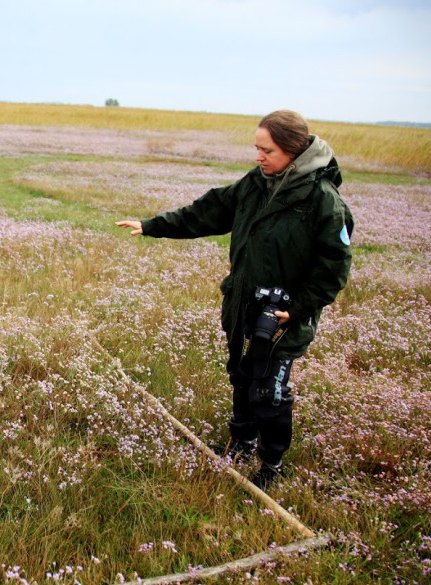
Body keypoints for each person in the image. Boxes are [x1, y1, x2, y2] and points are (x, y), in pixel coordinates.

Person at [116, 110, 354, 491]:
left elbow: (334, 269)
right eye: (256, 148)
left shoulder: (322, 201)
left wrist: (295, 310)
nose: (259, 157)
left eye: (267, 150)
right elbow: (206, 212)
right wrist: (151, 226)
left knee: (269, 393)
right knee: (241, 377)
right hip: (242, 304)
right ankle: (241, 444)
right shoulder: (255, 183)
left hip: (281, 317)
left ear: (294, 151)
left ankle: (272, 465)